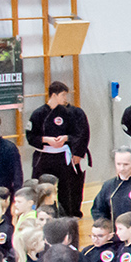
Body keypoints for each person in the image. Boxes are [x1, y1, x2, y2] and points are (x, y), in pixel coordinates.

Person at [26, 81, 91, 217]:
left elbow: (78, 134)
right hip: (43, 158)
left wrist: (65, 138)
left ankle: (66, 217)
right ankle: (40, 215)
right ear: (54, 95)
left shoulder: (68, 113)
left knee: (66, 189)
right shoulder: (38, 114)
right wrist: (46, 140)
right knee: (41, 188)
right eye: (63, 95)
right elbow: (31, 137)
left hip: (62, 157)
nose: (65, 99)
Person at [91, 148, 131, 223]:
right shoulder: (108, 186)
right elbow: (97, 210)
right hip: (116, 232)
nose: (122, 168)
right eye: (118, 164)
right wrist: (106, 226)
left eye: (126, 164)